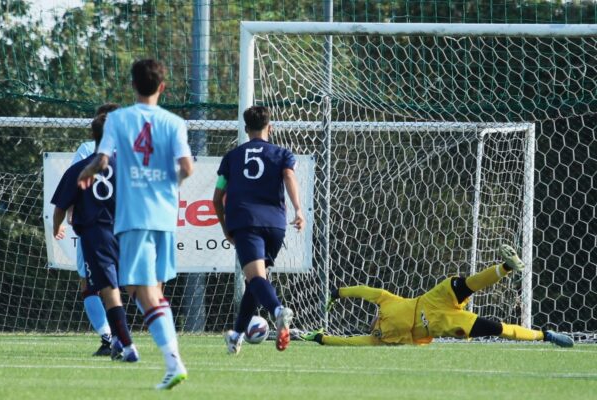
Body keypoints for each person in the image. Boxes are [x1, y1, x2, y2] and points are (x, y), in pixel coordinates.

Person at [77, 59, 194, 390]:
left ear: (132, 85)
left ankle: (173, 362)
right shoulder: (174, 122)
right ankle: (172, 360)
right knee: (145, 289)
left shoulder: (117, 119)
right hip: (166, 216)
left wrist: (88, 173)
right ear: (162, 87)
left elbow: (101, 160)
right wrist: (168, 184)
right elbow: (187, 167)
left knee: (143, 292)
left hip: (135, 216)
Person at [301, 244, 574, 348]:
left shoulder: (386, 303)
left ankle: (505, 267)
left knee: (464, 284)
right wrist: (323, 339)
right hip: (443, 323)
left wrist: (338, 292)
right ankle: (545, 335)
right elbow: (351, 343)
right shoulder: (380, 339)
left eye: (372, 322)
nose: (372, 324)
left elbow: (365, 292)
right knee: (498, 328)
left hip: (432, 300)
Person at [213, 105, 305, 355]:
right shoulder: (282, 154)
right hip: (275, 225)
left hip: (246, 222)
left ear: (246, 129)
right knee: (255, 280)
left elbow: (217, 196)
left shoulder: (232, 157)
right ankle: (236, 335)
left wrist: (225, 227)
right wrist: (298, 210)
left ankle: (277, 310)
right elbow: (289, 177)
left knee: (256, 279)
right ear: (270, 127)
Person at [51, 113, 139, 363]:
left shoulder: (83, 162)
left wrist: (56, 226)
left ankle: (121, 342)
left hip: (97, 233)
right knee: (136, 287)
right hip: (128, 231)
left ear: (94, 134)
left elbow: (61, 205)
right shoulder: (130, 164)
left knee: (106, 289)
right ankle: (159, 337)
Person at [70, 103, 120, 357]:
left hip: (92, 228)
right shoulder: (130, 152)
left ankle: (109, 337)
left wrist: (68, 215)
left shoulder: (87, 150)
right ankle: (122, 337)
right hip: (122, 228)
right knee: (130, 286)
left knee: (89, 285)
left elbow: (75, 184)